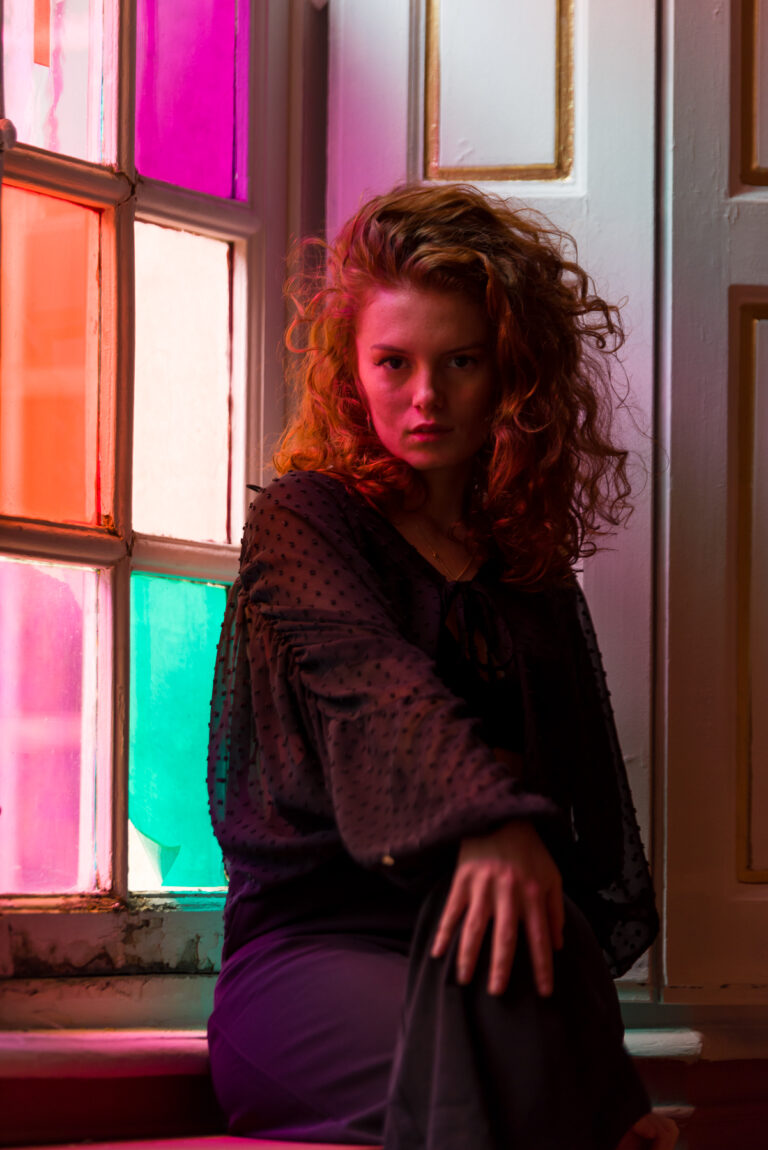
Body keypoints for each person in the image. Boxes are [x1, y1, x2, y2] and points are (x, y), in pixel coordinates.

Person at [206, 183, 678, 1150]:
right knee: (495, 1091)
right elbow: (373, 686)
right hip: (316, 952)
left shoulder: (528, 571)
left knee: (527, 1067)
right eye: (394, 362)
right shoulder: (304, 519)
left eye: (461, 361)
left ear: (511, 373)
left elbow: (581, 806)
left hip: (492, 952)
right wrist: (486, 820)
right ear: (352, 370)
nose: (426, 397)